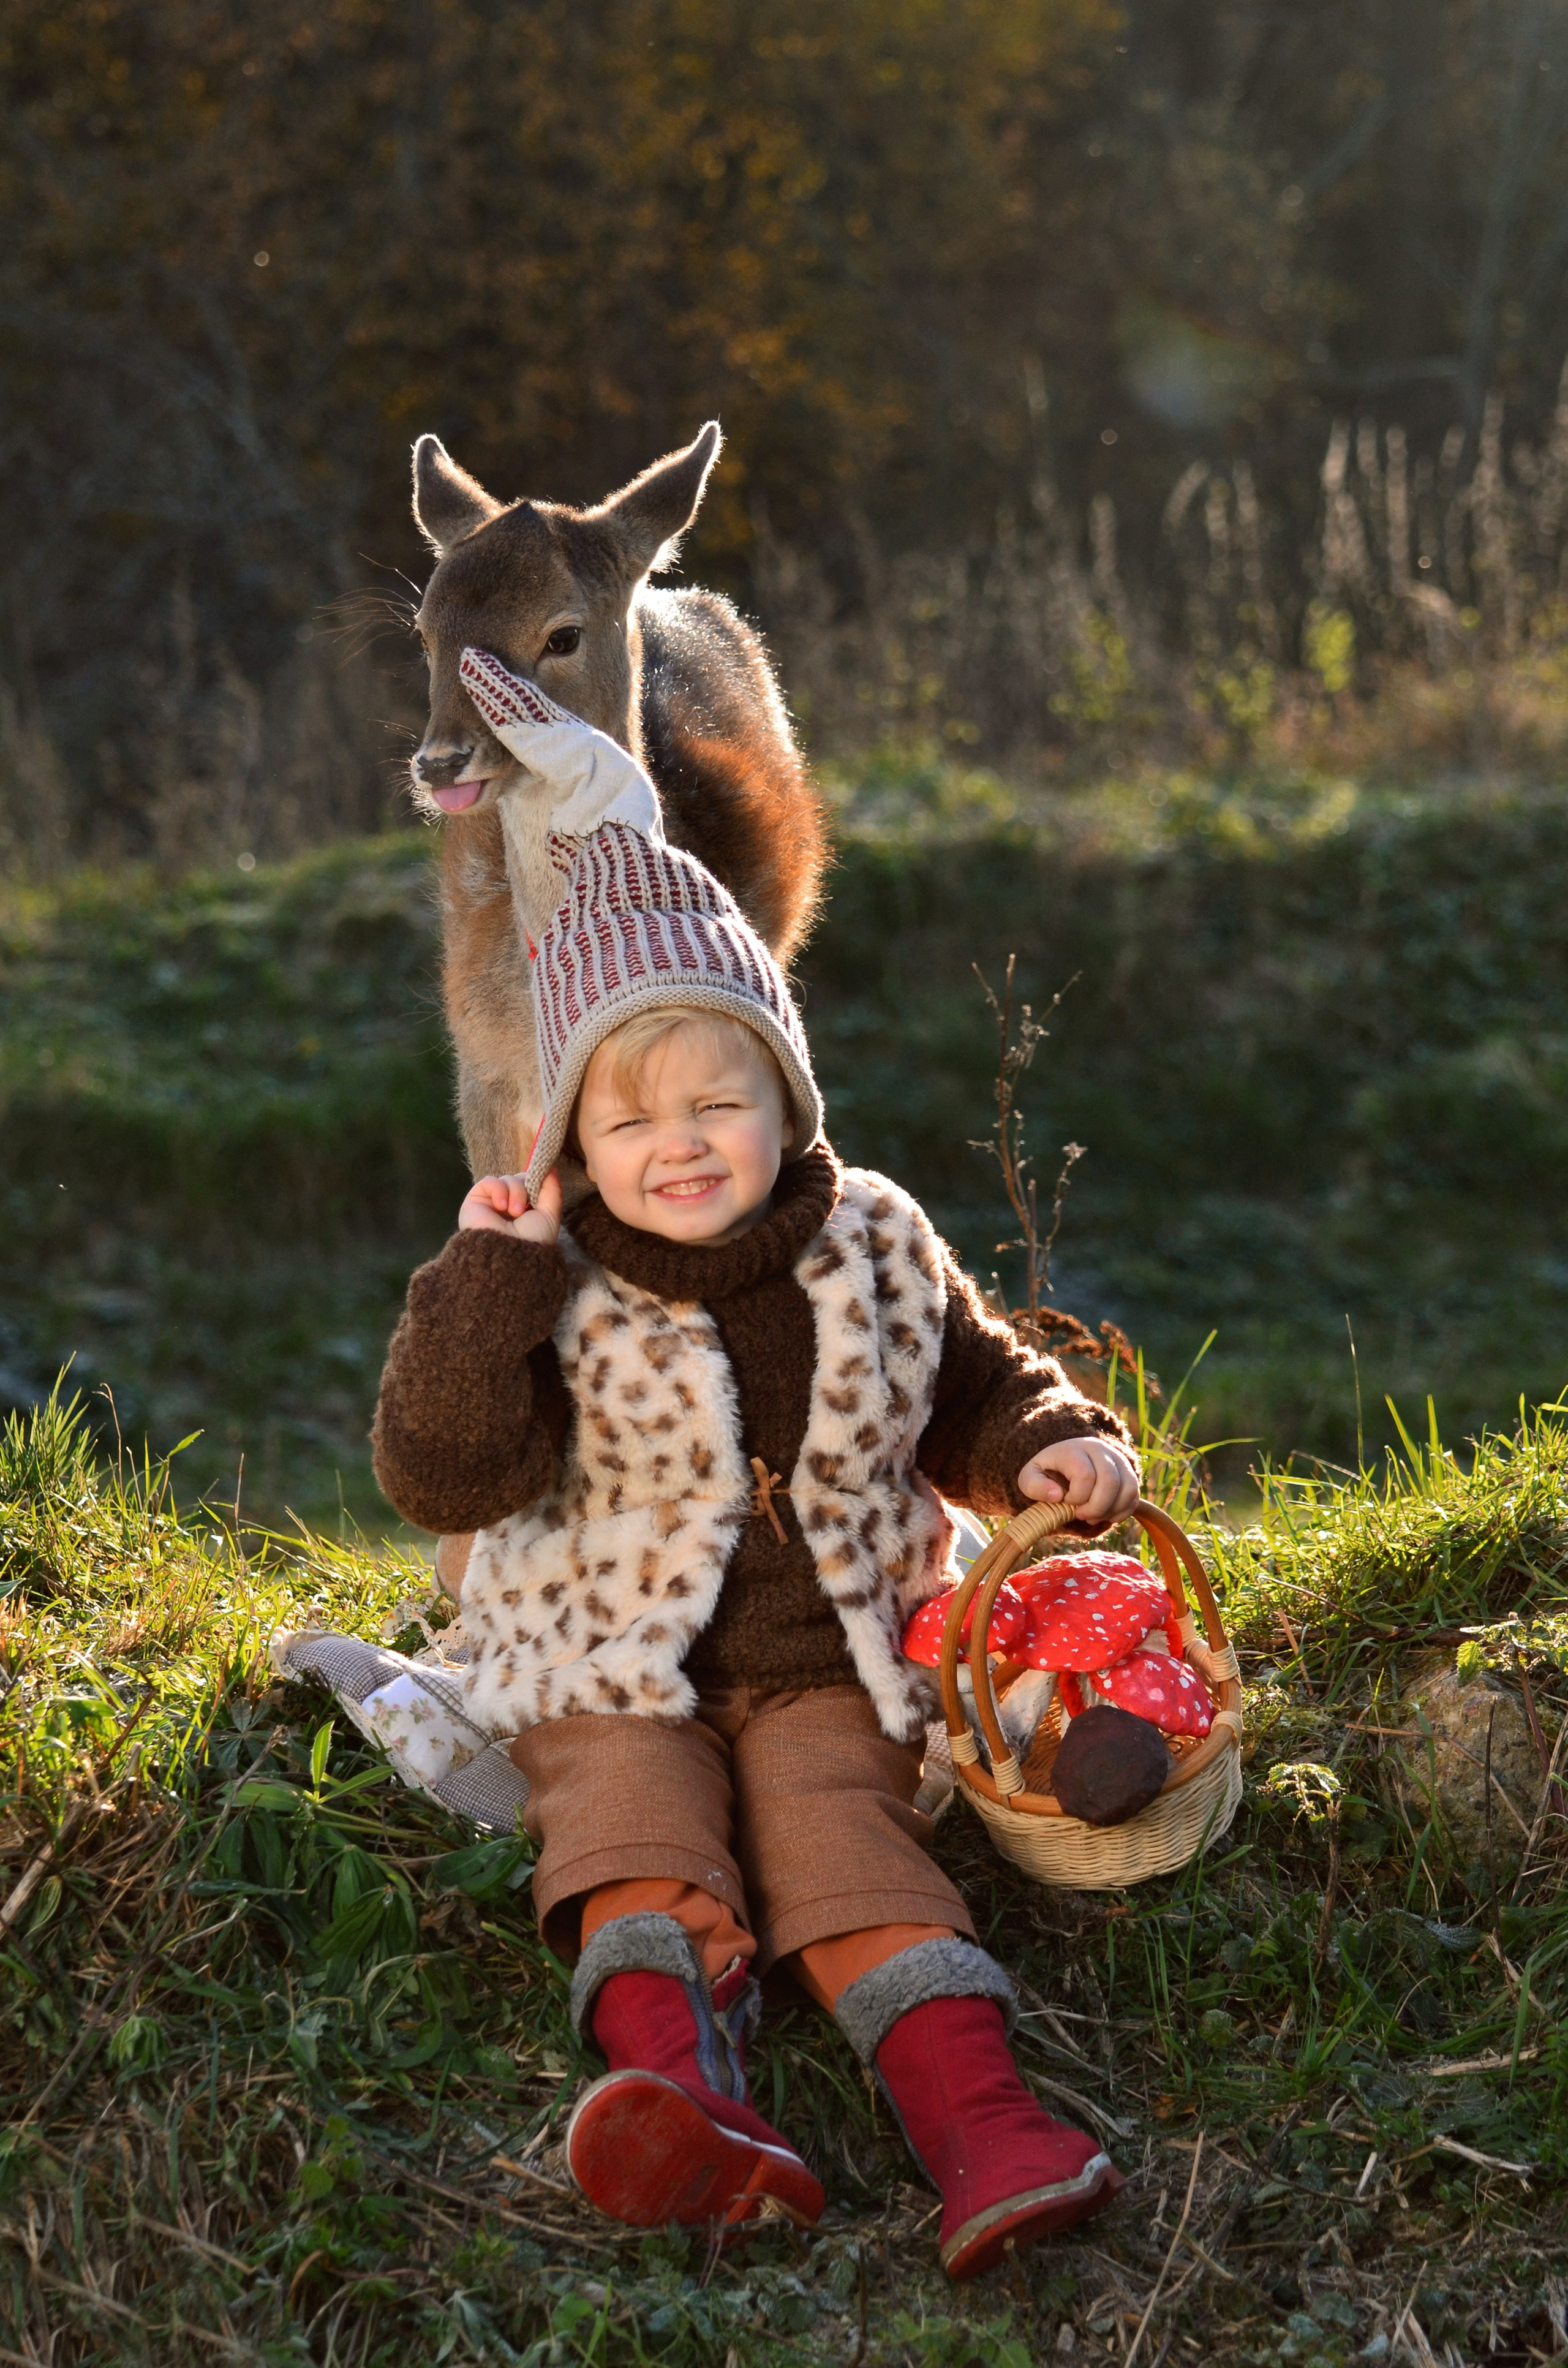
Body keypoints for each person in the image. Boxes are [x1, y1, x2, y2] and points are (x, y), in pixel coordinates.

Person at [372, 649, 1141, 2279]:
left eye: (720, 1098)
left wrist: (1051, 1436)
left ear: (784, 1099)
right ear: (571, 1139)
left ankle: (982, 2123)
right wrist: (482, 1284)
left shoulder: (866, 1236)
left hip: (825, 1654)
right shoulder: (544, 1265)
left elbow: (968, 1376)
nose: (680, 1142)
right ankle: (681, 2094)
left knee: (843, 1835)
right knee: (632, 1827)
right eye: (630, 1118)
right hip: (604, 1656)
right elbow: (445, 1475)